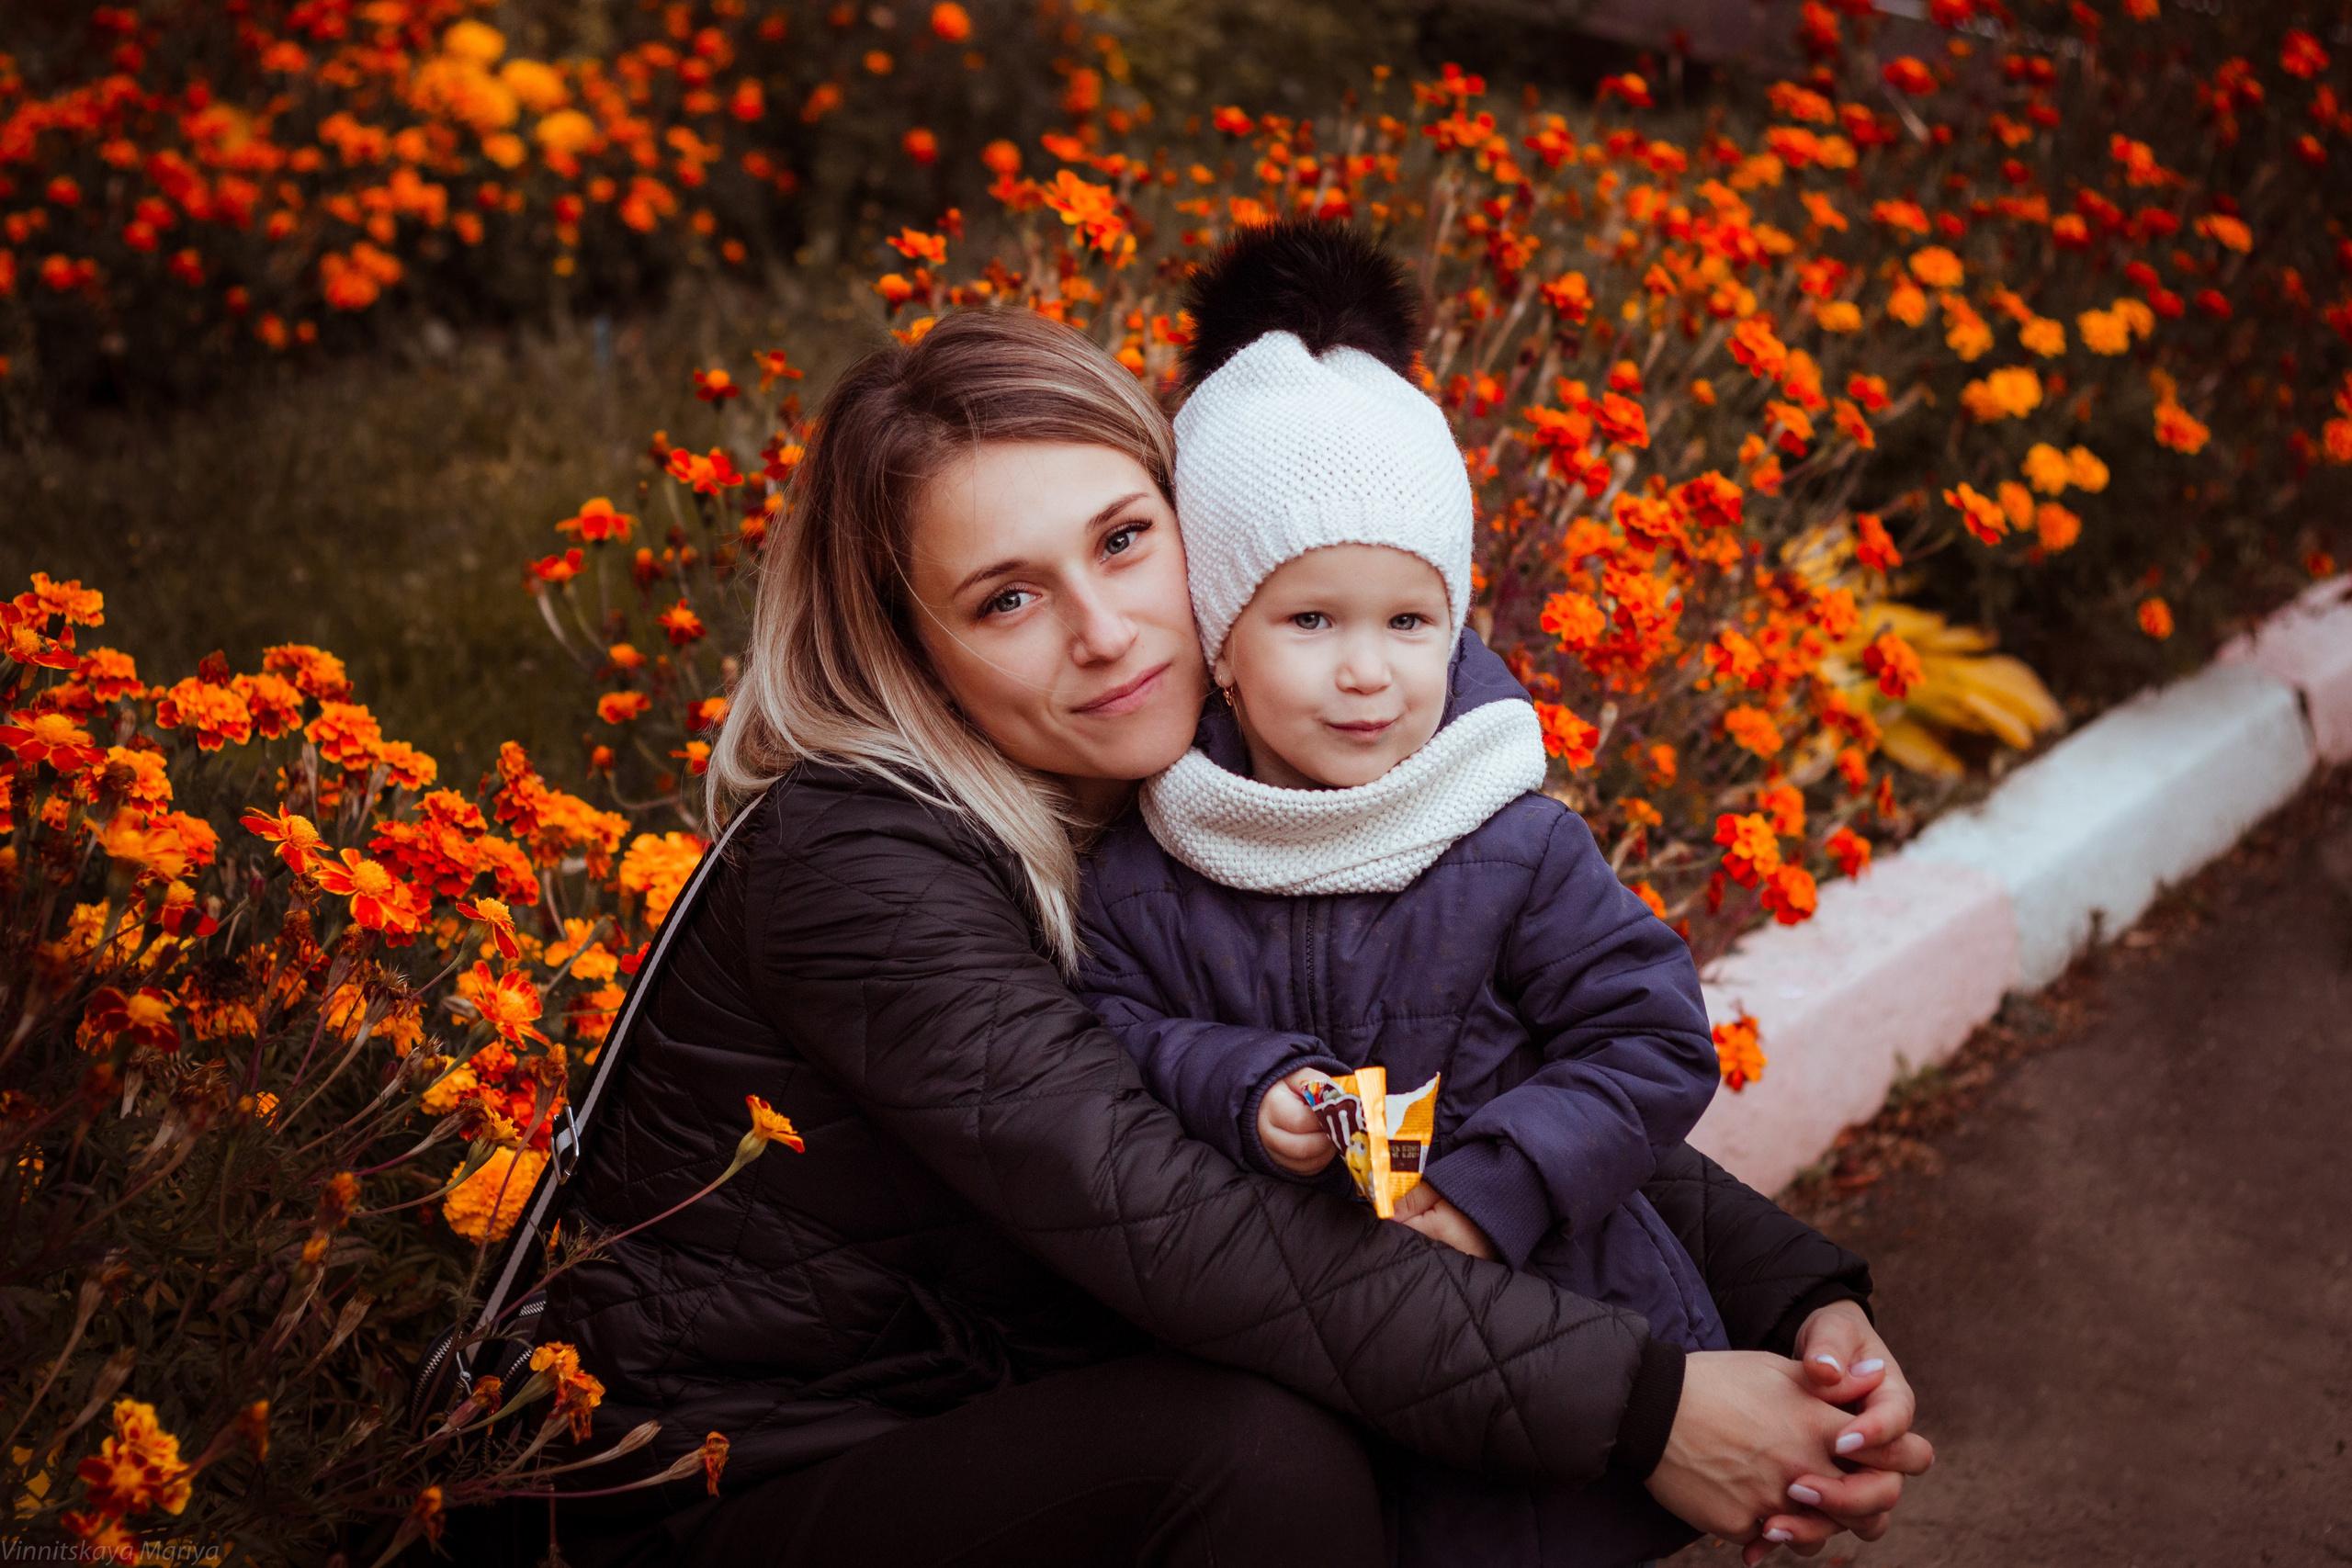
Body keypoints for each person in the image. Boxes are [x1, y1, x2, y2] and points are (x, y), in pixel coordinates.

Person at [526, 305, 1931, 1568]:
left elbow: (1452, 1072)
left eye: (1124, 540)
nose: (1103, 630)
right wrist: (1651, 1409)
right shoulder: (858, 864)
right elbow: (1188, 1236)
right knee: (1256, 1452)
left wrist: (1789, 1297)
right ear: (912, 651)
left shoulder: (1207, 787)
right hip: (736, 1486)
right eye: (1006, 598)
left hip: (1001, 1400)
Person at [1078, 220, 1724, 1566]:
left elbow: (1653, 1039)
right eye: (1310, 621)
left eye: (1408, 620)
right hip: (1326, 1370)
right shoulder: (1152, 859)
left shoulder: (1511, 837)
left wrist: (1493, 1190)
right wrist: (1245, 1084)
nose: (1366, 671)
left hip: (1554, 1322)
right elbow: (1112, 1031)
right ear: (1222, 647)